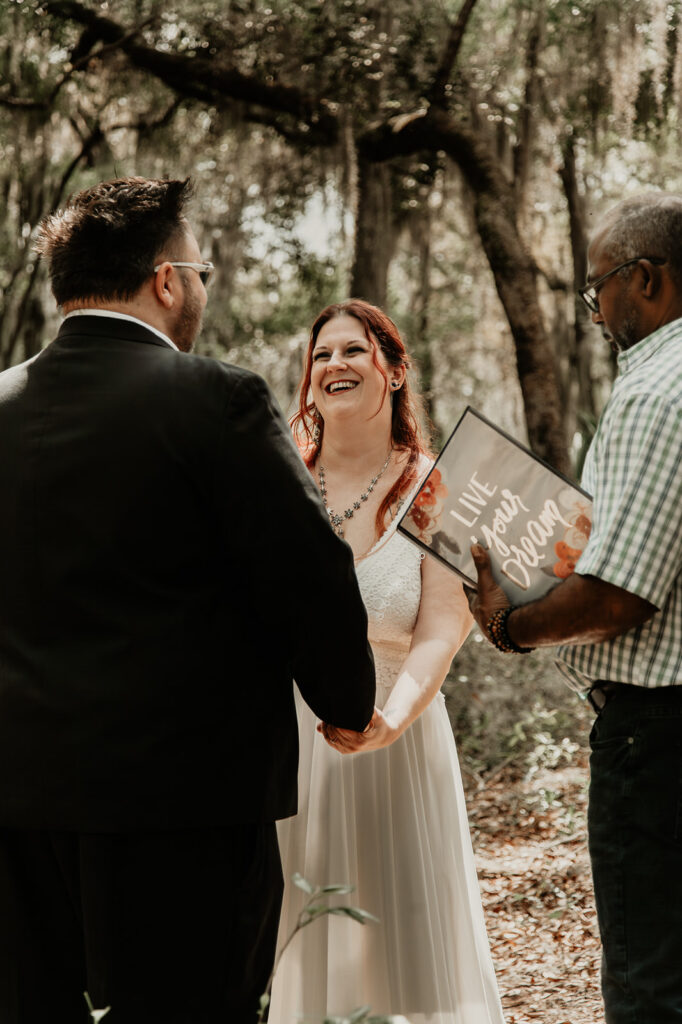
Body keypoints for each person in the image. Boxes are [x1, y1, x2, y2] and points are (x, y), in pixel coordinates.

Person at [0, 177, 376, 1024]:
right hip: (182, 807)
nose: (202, 289)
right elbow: (305, 571)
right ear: (168, 279)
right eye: (200, 269)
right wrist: (346, 701)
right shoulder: (216, 398)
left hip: (16, 800)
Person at [470, 192, 682, 1024]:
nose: (594, 311)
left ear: (651, 280)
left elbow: (617, 594)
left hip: (657, 736)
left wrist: (513, 625)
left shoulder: (654, 392)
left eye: (599, 290)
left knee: (649, 978)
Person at [271, 300, 505, 1024]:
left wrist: (389, 721)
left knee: (408, 963)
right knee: (305, 953)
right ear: (308, 382)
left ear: (395, 371)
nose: (334, 365)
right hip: (292, 748)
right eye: (321, 355)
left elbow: (442, 624)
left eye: (353, 351)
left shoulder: (440, 485)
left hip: (398, 738)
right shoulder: (275, 483)